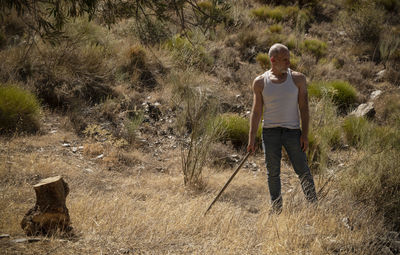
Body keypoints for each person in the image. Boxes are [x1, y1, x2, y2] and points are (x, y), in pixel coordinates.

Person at [247, 43, 317, 213]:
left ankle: (314, 206)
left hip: (293, 132)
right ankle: (277, 209)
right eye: (284, 60)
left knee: (303, 170)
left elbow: (304, 108)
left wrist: (305, 134)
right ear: (273, 60)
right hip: (269, 133)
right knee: (273, 173)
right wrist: (251, 139)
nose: (288, 63)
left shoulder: (298, 79)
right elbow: (256, 112)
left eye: (289, 59)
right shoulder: (260, 82)